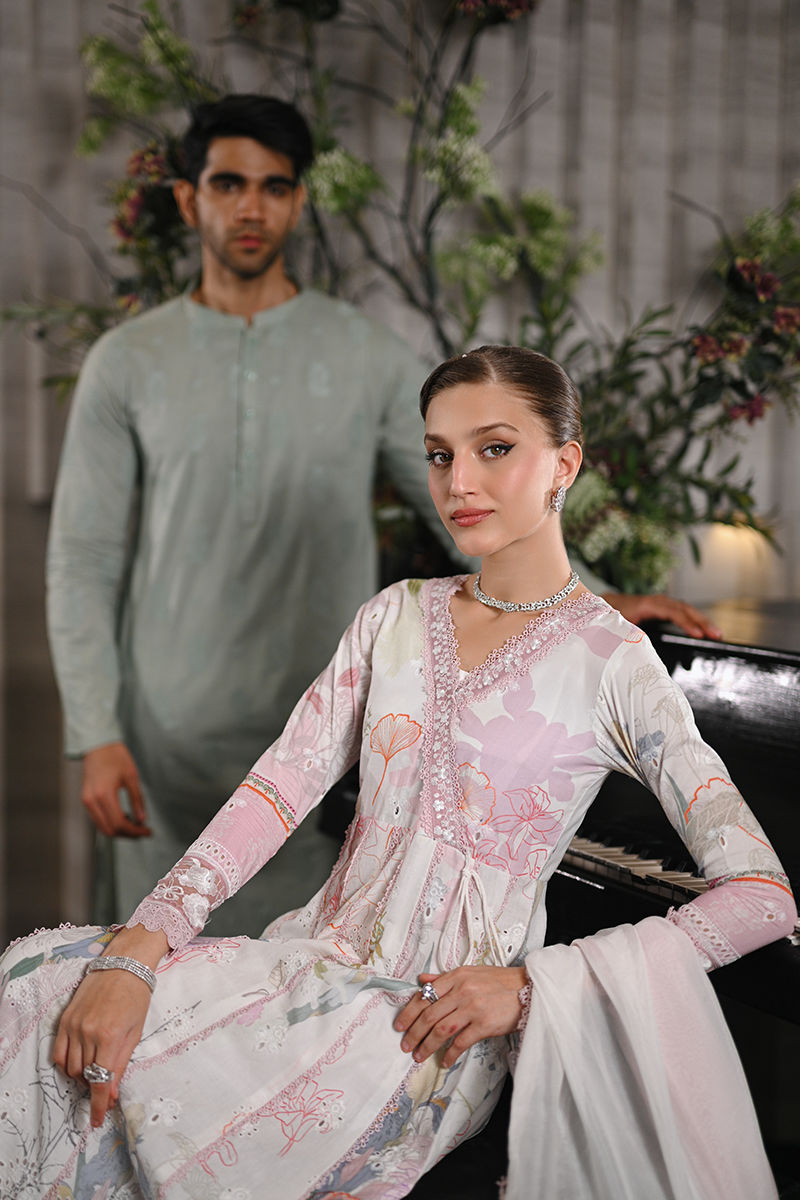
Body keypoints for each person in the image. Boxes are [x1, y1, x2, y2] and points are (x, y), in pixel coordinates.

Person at [3, 346, 793, 1199]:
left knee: (162, 1097)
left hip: (428, 1029)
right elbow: (276, 791)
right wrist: (144, 943)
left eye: (495, 448)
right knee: (38, 984)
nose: (459, 483)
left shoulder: (615, 663)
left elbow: (763, 895)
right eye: (440, 454)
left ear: (565, 464)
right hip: (312, 960)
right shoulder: (395, 617)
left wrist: (532, 988)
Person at [46, 92, 721, 940]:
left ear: (299, 200)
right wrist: (96, 731)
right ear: (189, 199)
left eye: (274, 186)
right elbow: (84, 556)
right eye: (227, 184)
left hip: (334, 739)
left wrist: (593, 599)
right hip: (164, 744)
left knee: (304, 976)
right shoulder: (125, 363)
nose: (251, 207)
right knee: (150, 977)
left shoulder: (364, 355)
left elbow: (470, 500)